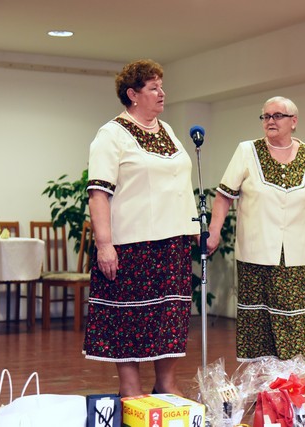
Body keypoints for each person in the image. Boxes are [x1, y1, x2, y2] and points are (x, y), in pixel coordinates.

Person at [207, 96, 305, 407]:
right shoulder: (246, 151)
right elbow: (224, 196)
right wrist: (214, 231)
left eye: (278, 115)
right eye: (265, 116)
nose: (270, 121)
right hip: (256, 250)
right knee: (260, 321)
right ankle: (262, 385)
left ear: (294, 121)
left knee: (302, 320)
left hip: (299, 252)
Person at [82, 59, 198, 398]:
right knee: (129, 319)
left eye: (162, 86)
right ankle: (129, 389)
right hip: (132, 242)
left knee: (170, 315)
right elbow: (98, 193)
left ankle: (165, 383)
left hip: (173, 242)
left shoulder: (168, 131)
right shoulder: (111, 134)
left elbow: (179, 182)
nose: (162, 93)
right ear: (132, 94)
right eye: (153, 88)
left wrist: (193, 225)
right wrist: (104, 244)